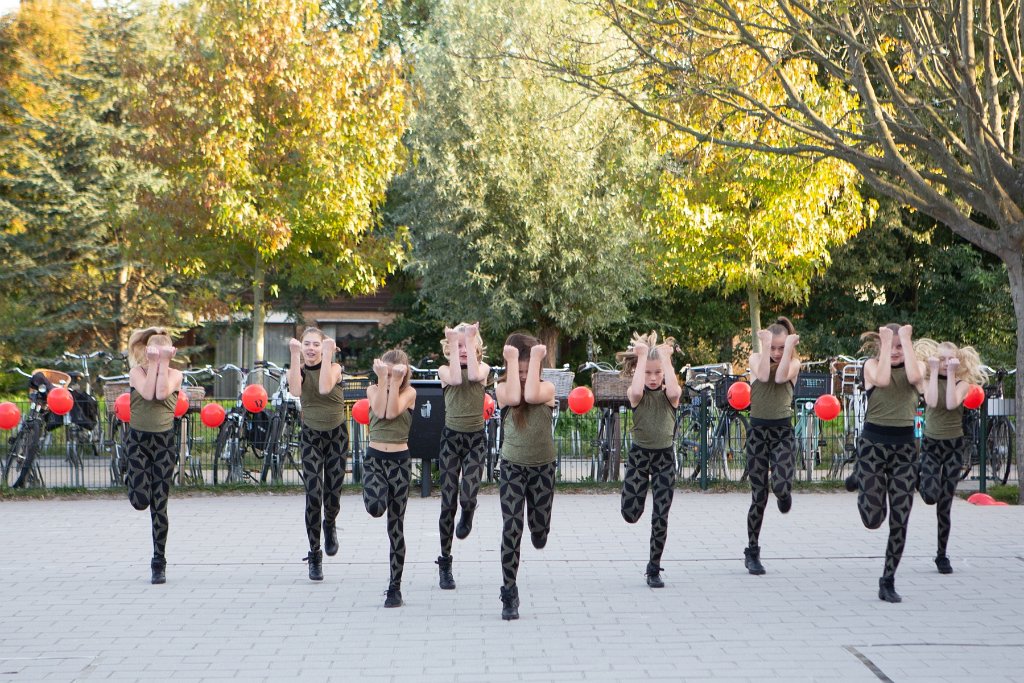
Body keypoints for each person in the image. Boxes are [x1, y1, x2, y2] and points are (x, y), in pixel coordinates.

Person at [845, 324, 926, 603]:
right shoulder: (871, 366)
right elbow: (880, 380)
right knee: (872, 520)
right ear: (880, 346)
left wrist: (905, 339)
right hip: (873, 447)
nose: (895, 353)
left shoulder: (917, 369)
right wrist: (887, 343)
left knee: (900, 519)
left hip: (905, 450)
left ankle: (887, 579)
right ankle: (861, 479)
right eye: (889, 347)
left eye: (900, 348)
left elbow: (916, 377)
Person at [495, 333, 557, 620]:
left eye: (527, 371)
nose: (521, 377)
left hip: (543, 468)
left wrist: (533, 360)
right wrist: (512, 363)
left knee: (539, 531)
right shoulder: (502, 390)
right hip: (512, 468)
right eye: (517, 371)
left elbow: (530, 396)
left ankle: (539, 529)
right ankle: (509, 592)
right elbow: (517, 397)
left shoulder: (547, 388)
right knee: (511, 527)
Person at [615, 332, 682, 588]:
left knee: (660, 515)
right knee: (630, 514)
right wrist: (642, 356)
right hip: (639, 457)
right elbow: (634, 388)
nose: (653, 378)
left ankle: (653, 568)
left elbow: (675, 389)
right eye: (648, 373)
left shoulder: (670, 396)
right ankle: (633, 501)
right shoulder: (637, 396)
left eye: (657, 373)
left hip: (665, 458)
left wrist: (665, 358)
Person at [916, 339, 986, 574]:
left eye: (950, 359)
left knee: (944, 505)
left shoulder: (962, 383)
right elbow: (933, 401)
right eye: (941, 359)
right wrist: (934, 372)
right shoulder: (927, 380)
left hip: (954, 445)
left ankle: (941, 555)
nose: (946, 363)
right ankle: (921, 477)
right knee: (930, 496)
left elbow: (950, 403)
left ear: (957, 359)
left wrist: (952, 372)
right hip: (931, 444)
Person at [287, 328, 347, 582]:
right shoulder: (298, 369)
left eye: (315, 344)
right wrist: (293, 356)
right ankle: (314, 553)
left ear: (323, 348)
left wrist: (328, 354)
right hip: (311, 436)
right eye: (306, 344)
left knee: (331, 493)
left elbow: (323, 387)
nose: (311, 348)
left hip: (336, 436)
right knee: (313, 494)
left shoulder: (334, 368)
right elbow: (295, 391)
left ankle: (330, 522)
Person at [125, 327, 183, 584]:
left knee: (159, 505)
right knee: (140, 501)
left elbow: (161, 393)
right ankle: (134, 484)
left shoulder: (176, 374)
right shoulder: (137, 373)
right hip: (138, 441)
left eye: (163, 354)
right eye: (153, 353)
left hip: (163, 443)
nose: (158, 358)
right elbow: (148, 393)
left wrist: (164, 363)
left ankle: (158, 561)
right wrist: (151, 363)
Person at [743, 318, 801, 575]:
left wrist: (788, 349)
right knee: (759, 495)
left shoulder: (794, 362)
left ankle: (785, 494)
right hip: (757, 432)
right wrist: (765, 346)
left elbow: (779, 378)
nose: (777, 352)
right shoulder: (756, 358)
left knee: (779, 484)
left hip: (781, 432)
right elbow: (765, 375)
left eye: (781, 347)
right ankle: (752, 551)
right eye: (773, 347)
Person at [436, 322, 490, 590]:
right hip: (451, 440)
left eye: (468, 345)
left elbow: (473, 377)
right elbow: (457, 379)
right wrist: (458, 343)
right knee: (448, 503)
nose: (464, 350)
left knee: (467, 495)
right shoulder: (444, 369)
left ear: (477, 346)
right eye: (457, 346)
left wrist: (468, 339)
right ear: (449, 350)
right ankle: (445, 561)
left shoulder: (484, 369)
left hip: (475, 440)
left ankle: (468, 511)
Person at [363, 348, 417, 607]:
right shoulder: (372, 390)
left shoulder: (409, 393)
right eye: (385, 370)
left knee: (395, 527)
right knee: (375, 507)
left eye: (396, 371)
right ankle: (376, 495)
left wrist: (395, 382)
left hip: (399, 462)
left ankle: (395, 587)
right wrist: (384, 380)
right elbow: (380, 410)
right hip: (375, 459)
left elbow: (393, 411)